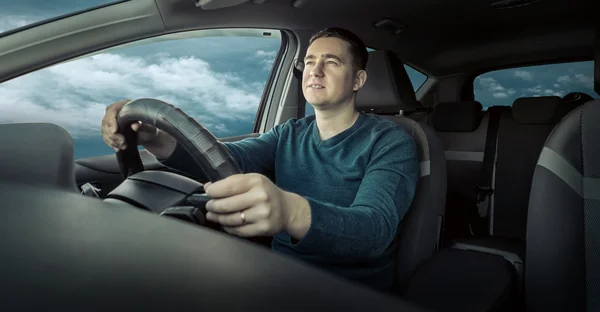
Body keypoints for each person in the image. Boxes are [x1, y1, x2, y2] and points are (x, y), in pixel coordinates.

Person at [101, 27, 419, 292]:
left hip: (347, 293)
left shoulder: (391, 142)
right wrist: (156, 137)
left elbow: (373, 230)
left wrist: (289, 211)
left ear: (358, 81)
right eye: (309, 61)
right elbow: (226, 160)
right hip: (275, 275)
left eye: (331, 62)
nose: (315, 71)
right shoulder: (289, 133)